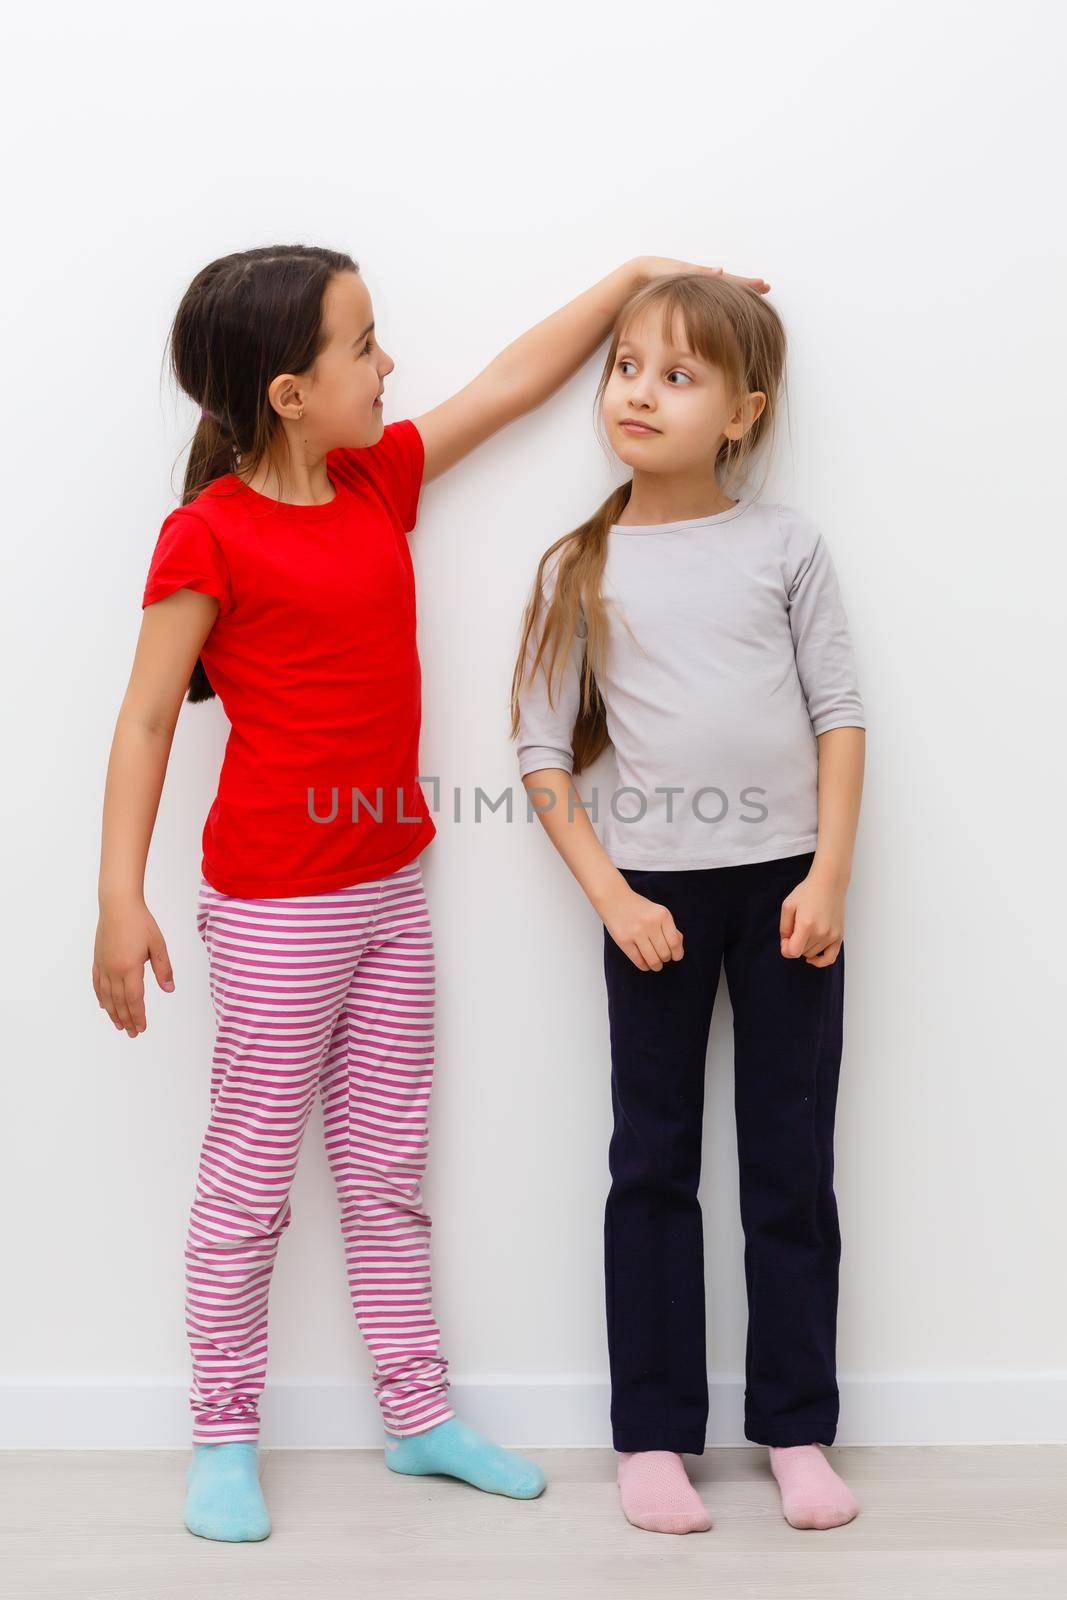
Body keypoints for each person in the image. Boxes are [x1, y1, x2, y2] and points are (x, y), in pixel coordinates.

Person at [92, 245, 769, 1542]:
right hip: (278, 908)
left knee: (386, 1171)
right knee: (248, 1181)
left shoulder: (371, 480)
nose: (388, 363)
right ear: (289, 391)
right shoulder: (208, 533)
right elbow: (141, 726)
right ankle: (222, 1435)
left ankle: (414, 1417)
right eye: (362, 345)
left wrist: (630, 279)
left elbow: (514, 382)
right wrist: (120, 900)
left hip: (390, 888)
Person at [511, 271, 865, 1535]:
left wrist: (825, 872)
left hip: (785, 893)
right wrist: (611, 897)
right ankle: (653, 1433)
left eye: (677, 374)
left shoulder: (784, 545)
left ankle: (797, 1429)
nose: (638, 394)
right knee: (650, 1164)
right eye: (625, 367)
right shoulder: (581, 564)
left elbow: (838, 712)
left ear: (740, 411)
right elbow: (539, 756)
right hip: (649, 898)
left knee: (789, 1163)